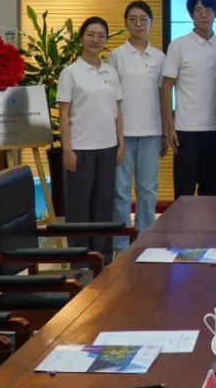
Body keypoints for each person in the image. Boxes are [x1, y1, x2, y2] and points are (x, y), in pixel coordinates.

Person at [57, 16, 123, 263]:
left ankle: (102, 258)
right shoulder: (70, 73)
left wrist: (121, 141)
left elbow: (117, 109)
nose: (96, 40)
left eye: (101, 36)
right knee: (78, 207)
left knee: (103, 206)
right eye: (91, 34)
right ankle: (79, 259)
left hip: (107, 147)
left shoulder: (110, 72)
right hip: (80, 147)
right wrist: (67, 148)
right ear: (81, 38)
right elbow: (64, 112)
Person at [161, 0, 216, 197]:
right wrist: (169, 127)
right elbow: (166, 86)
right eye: (198, 10)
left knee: (213, 193)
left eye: (209, 9)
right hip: (186, 131)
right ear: (191, 14)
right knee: (184, 194)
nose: (204, 14)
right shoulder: (179, 45)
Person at [108, 1, 165, 251]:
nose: (138, 24)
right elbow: (110, 97)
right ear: (126, 23)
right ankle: (122, 244)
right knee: (120, 191)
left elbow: (164, 96)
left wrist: (165, 132)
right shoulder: (116, 56)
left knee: (147, 190)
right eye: (133, 19)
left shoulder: (160, 57)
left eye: (143, 19)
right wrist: (116, 134)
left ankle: (145, 239)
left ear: (151, 22)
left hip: (152, 132)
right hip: (123, 135)